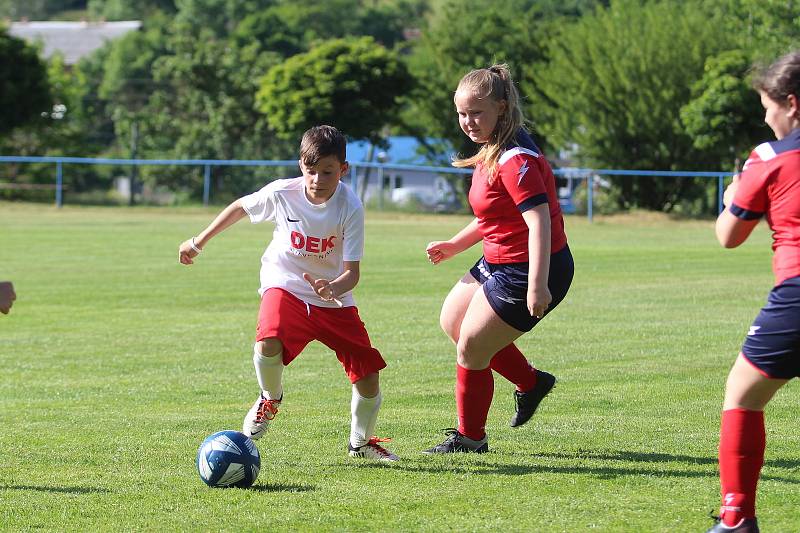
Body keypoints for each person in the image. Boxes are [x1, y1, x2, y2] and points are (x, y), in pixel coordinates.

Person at [178, 125, 397, 462]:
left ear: (343, 169)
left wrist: (331, 287)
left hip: (331, 298)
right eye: (311, 170)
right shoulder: (282, 193)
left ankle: (361, 443)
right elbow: (240, 207)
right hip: (285, 284)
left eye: (328, 171)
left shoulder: (350, 206)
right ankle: (270, 397)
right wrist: (198, 241)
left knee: (368, 375)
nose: (318, 179)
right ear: (301, 166)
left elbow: (352, 275)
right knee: (269, 340)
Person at [422, 64, 573, 454]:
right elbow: (492, 214)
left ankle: (471, 438)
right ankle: (531, 382)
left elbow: (539, 223)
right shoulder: (494, 146)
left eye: (477, 112)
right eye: (461, 113)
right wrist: (456, 244)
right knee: (453, 322)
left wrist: (538, 285)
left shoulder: (515, 160)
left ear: (502, 108)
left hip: (531, 270)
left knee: (472, 346)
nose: (468, 122)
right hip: (500, 260)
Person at [706, 51, 800, 533]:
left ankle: (737, 515)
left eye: (768, 105)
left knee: (742, 394)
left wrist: (735, 193)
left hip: (797, 297)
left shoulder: (769, 157)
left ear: (792, 104)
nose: (766, 117)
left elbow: (729, 235)